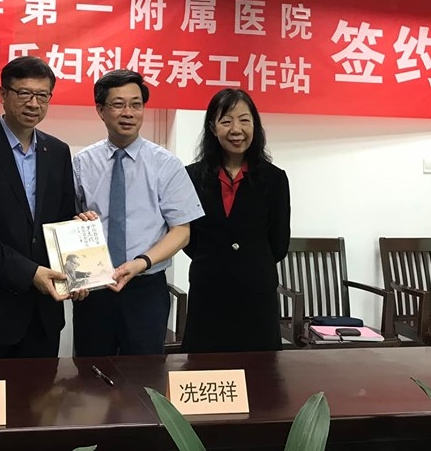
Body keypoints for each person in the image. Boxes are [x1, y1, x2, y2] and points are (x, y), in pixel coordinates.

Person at [0, 56, 81, 359]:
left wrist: (78, 267)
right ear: (3, 94)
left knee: (42, 392)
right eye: (24, 93)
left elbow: (61, 221)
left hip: (43, 316)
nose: (33, 103)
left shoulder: (58, 152)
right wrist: (30, 273)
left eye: (42, 95)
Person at [73, 69, 204, 356]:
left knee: (145, 373)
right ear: (101, 110)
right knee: (90, 373)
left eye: (136, 104)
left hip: (146, 287)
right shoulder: (82, 162)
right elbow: (69, 222)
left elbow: (182, 231)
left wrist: (142, 262)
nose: (128, 113)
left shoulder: (166, 164)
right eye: (118, 104)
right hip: (95, 289)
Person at [183, 88, 291, 353]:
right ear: (212, 127)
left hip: (256, 291)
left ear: (255, 125)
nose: (236, 129)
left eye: (244, 120)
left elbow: (279, 242)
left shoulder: (274, 178)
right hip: (208, 289)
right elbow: (187, 237)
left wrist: (247, 262)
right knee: (204, 367)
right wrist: (215, 258)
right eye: (226, 121)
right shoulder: (191, 176)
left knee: (260, 370)